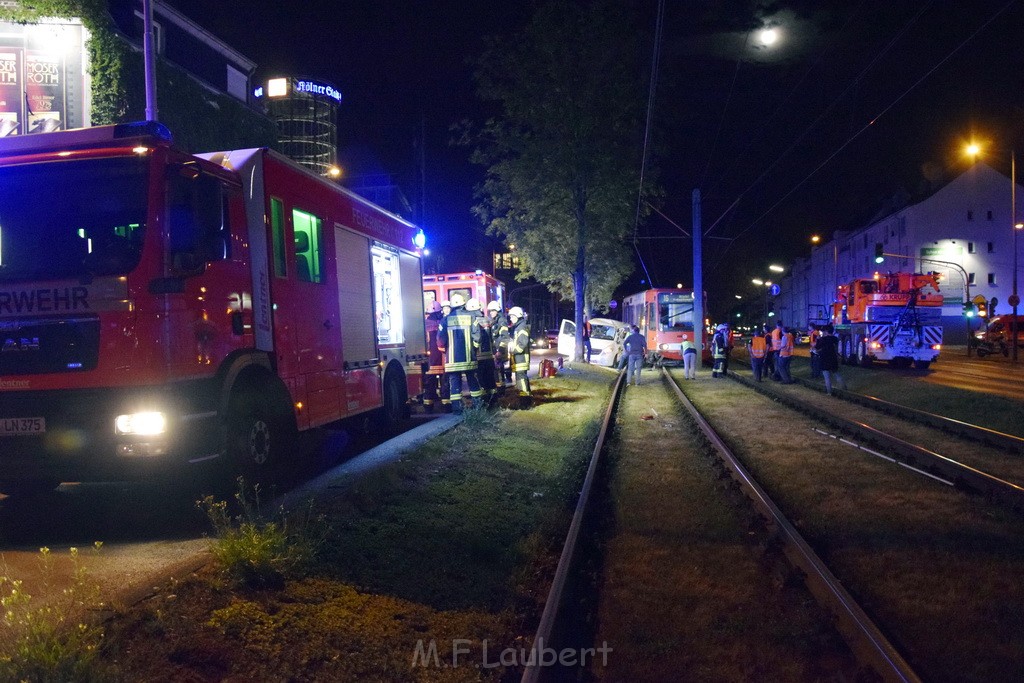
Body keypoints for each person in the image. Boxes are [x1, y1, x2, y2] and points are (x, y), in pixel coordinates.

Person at [436, 292, 483, 413]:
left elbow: (440, 340)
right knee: (473, 381)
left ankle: (457, 410)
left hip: (452, 359)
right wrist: (475, 349)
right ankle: (478, 408)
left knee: (454, 384)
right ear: (463, 304)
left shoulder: (445, 320)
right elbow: (477, 336)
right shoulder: (471, 317)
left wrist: (444, 350)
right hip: (469, 357)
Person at [467, 298, 497, 405]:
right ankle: (493, 400)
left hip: (478, 357)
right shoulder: (488, 320)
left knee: (480, 381)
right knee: (490, 379)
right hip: (489, 356)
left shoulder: (471, 321)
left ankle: (484, 402)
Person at [422, 300, 449, 412]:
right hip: (442, 358)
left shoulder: (423, 324)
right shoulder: (442, 323)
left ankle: (428, 407)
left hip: (429, 361)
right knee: (445, 383)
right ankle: (447, 405)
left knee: (429, 385)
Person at [507, 306, 533, 408]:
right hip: (520, 359)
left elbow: (522, 344)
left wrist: (513, 349)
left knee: (521, 380)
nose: (511, 319)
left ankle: (525, 403)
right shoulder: (519, 327)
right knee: (522, 380)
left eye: (512, 317)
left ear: (518, 316)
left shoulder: (521, 328)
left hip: (521, 359)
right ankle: (527, 400)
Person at [486, 300, 510, 396]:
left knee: (499, 372)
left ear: (497, 310)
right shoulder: (494, 320)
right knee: (496, 372)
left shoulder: (501, 320)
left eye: (493, 311)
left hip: (499, 350)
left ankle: (501, 393)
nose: (491, 312)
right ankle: (498, 391)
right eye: (490, 311)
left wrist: (500, 351)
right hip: (495, 350)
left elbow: (505, 337)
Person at [815, 324, 845, 395]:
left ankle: (829, 392)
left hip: (824, 359)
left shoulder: (823, 339)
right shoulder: (835, 339)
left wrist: (818, 340)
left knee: (826, 377)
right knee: (837, 374)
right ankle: (844, 388)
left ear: (826, 331)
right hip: (833, 359)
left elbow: (817, 347)